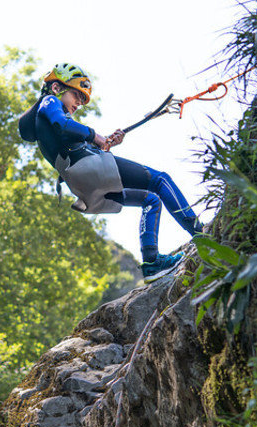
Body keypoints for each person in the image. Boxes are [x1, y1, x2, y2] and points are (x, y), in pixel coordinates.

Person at [19, 63, 203, 283]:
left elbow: (70, 141)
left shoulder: (44, 126)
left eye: (82, 99)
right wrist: (96, 136)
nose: (79, 103)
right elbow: (63, 125)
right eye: (76, 95)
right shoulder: (49, 102)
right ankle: (201, 235)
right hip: (87, 167)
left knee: (151, 201)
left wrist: (104, 144)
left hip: (81, 183)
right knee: (160, 180)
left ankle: (152, 262)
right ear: (57, 88)